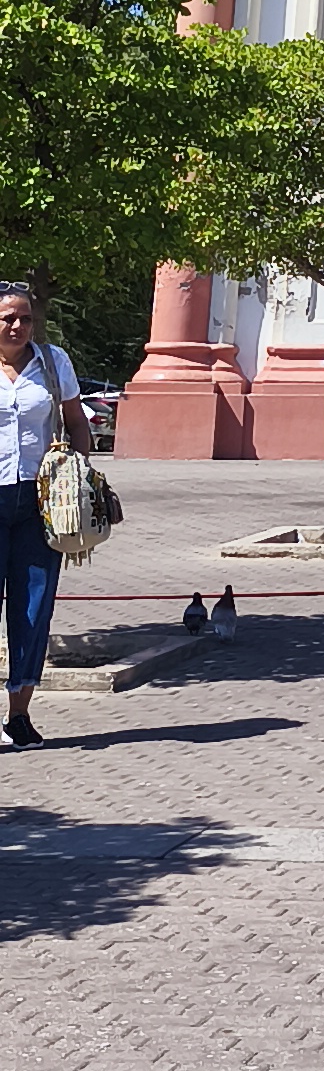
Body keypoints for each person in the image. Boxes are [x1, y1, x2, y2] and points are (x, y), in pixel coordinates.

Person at [1, 287, 94, 749]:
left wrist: (77, 474)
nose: (17, 326)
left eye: (24, 319)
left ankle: (19, 713)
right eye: (7, 318)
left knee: (34, 608)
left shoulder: (53, 362)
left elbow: (77, 423)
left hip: (40, 503)